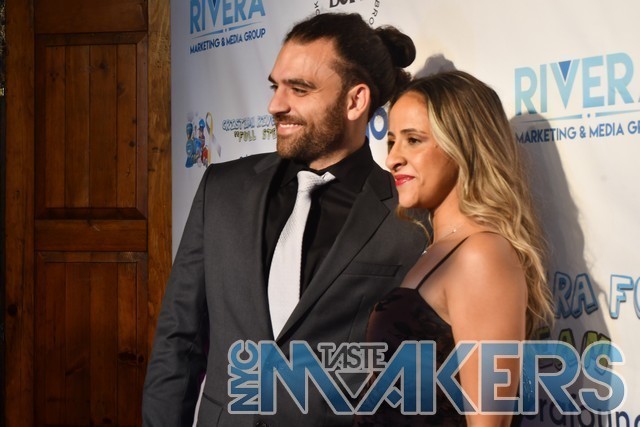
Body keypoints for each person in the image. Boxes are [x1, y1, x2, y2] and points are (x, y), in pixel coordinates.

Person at [142, 12, 426, 426]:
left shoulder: (408, 219)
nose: (275, 105)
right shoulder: (222, 190)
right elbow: (178, 342)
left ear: (355, 101)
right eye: (276, 86)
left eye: (299, 89)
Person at [355, 71, 554, 426]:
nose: (393, 159)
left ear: (463, 145)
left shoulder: (481, 255)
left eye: (413, 140)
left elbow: (489, 423)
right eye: (391, 142)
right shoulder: (438, 249)